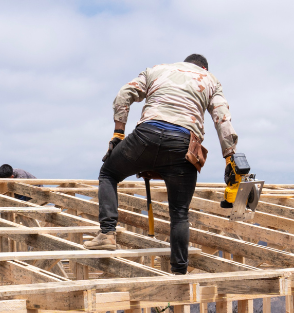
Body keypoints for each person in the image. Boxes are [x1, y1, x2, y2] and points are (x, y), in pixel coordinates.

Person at [87, 54, 238, 276]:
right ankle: (179, 271)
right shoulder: (210, 80)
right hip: (183, 145)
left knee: (109, 173)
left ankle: (107, 233)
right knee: (179, 213)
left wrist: (119, 134)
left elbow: (123, 95)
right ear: (204, 67)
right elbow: (222, 119)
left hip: (145, 137)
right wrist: (229, 158)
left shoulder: (156, 70)